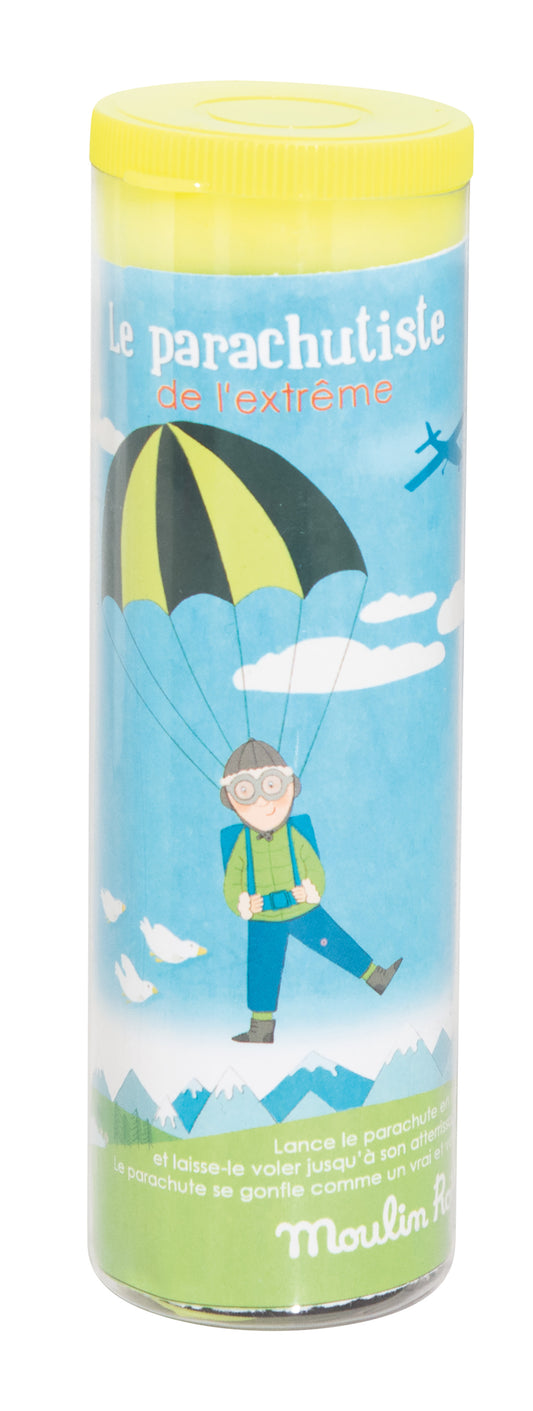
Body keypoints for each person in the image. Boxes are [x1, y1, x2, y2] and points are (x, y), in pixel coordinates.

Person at [221, 738, 402, 1043]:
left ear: (290, 786)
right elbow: (232, 881)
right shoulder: (242, 843)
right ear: (231, 798)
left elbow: (313, 867)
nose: (262, 801)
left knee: (334, 942)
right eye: (246, 790)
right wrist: (243, 903)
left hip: (301, 908)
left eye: (271, 785)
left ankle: (375, 976)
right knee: (262, 968)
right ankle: (261, 1028)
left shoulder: (294, 835)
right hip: (264, 917)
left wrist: (311, 890)